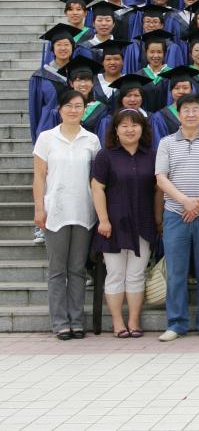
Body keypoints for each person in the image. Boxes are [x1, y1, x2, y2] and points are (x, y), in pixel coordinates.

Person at [154, 93, 199, 341]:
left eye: (196, 110)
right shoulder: (166, 143)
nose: (191, 114)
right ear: (178, 114)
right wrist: (185, 201)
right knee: (176, 271)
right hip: (175, 214)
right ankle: (176, 323)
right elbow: (161, 178)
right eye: (186, 110)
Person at [33, 90, 101, 339]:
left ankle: (77, 320)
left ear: (85, 109)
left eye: (78, 106)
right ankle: (60, 322)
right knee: (57, 270)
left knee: (77, 269)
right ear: (59, 109)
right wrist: (39, 208)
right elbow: (39, 177)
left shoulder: (91, 139)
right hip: (55, 211)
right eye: (69, 106)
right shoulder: (46, 138)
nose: (74, 110)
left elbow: (97, 179)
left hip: (83, 210)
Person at [90, 108, 161, 338]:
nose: (130, 130)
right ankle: (118, 322)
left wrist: (158, 219)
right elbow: (97, 188)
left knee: (136, 275)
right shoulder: (105, 156)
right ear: (116, 130)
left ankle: (134, 320)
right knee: (115, 274)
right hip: (113, 225)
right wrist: (103, 220)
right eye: (124, 125)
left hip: (143, 223)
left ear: (142, 128)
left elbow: (158, 190)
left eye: (134, 125)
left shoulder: (152, 156)